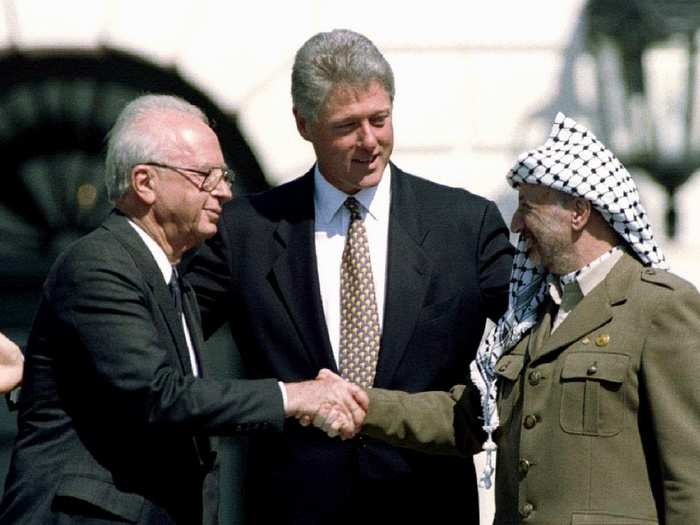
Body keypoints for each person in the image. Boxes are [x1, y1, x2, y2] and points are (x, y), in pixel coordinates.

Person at [185, 29, 513, 524]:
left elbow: (538, 338)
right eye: (346, 126)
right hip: (292, 509)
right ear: (304, 124)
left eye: (379, 120)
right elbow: (166, 339)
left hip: (427, 505)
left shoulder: (464, 225)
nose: (369, 141)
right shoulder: (247, 233)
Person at [0, 94, 366, 525]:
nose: (225, 191)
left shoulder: (172, 281)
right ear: (145, 183)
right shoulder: (98, 264)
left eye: (225, 175)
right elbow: (160, 397)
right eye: (205, 176)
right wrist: (294, 396)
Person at [346, 113, 700, 524]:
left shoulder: (660, 307)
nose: (515, 224)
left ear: (579, 213)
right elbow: (466, 418)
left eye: (527, 208)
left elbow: (690, 479)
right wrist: (360, 406)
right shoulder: (529, 315)